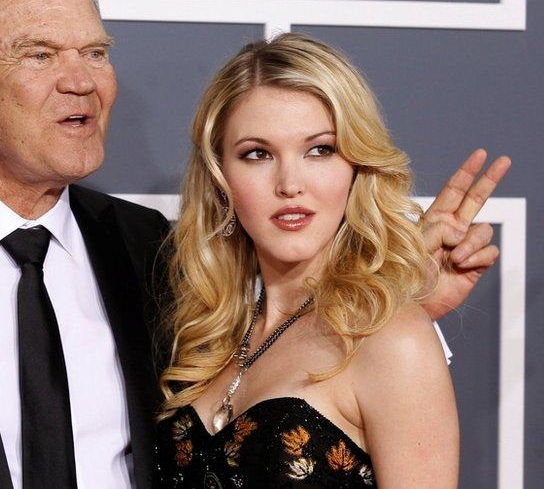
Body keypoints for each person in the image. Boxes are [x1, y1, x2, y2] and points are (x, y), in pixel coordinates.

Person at [0, 0, 507, 489]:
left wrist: (397, 303)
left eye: (96, 51)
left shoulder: (144, 253)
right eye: (40, 54)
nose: (82, 80)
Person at [154, 34, 510, 487]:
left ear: (356, 168)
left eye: (319, 149)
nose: (289, 183)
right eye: (257, 154)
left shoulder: (391, 340)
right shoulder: (204, 338)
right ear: (221, 176)